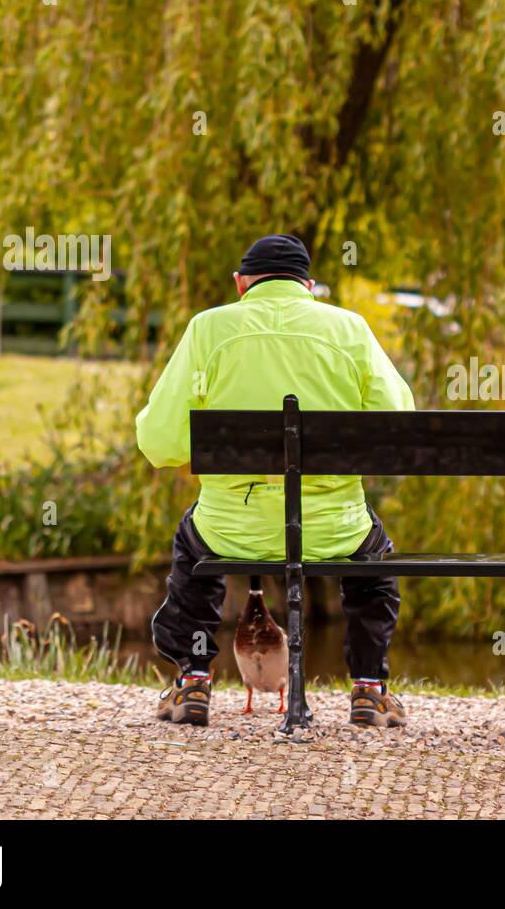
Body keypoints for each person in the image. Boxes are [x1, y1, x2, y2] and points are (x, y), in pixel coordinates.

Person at [135, 234, 415, 728]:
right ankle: (369, 688)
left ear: (241, 284)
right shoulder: (349, 329)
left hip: (230, 527)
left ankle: (193, 680)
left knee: (193, 543)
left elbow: (159, 443)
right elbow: (397, 428)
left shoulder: (208, 330)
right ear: (308, 287)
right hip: (334, 529)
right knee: (372, 562)